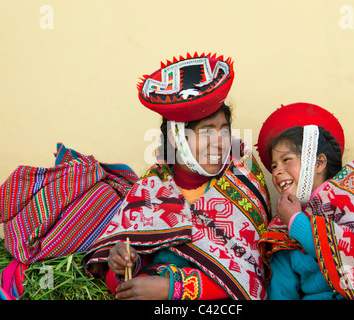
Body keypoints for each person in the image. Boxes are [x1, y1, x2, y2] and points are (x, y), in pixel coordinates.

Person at [83, 52, 271, 300]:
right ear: (176, 139)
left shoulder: (242, 175)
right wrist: (124, 264)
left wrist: (171, 289)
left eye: (224, 131)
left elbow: (250, 276)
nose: (219, 143)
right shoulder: (149, 188)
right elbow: (119, 283)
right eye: (206, 132)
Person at [256, 102, 354, 300]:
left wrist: (296, 222)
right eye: (273, 166)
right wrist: (289, 221)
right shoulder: (281, 227)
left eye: (287, 160)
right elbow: (281, 291)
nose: (277, 171)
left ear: (318, 163)